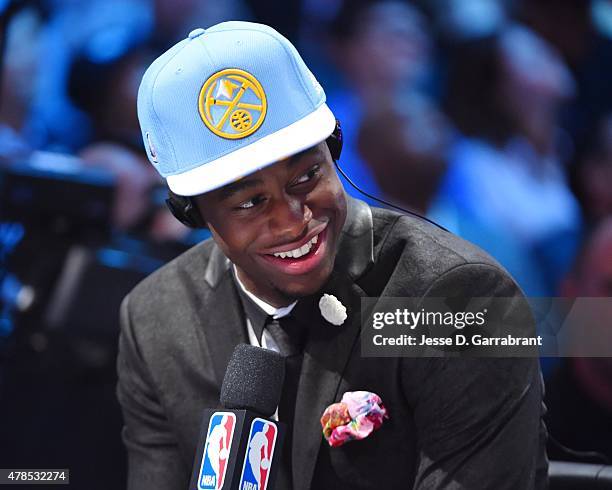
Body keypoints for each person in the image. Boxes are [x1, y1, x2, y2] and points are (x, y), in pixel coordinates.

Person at [117, 21, 548, 489]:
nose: (290, 220)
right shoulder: (155, 318)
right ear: (191, 213)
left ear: (334, 148)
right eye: (249, 203)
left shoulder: (457, 301)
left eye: (306, 177)